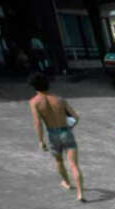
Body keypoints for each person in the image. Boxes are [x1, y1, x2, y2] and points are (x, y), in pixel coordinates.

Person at [27, 72, 85, 201]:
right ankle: (80, 193)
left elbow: (38, 123)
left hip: (52, 134)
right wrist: (68, 127)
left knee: (59, 161)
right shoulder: (59, 99)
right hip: (66, 132)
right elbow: (76, 117)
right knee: (74, 164)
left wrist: (40, 140)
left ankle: (67, 183)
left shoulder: (34, 102)